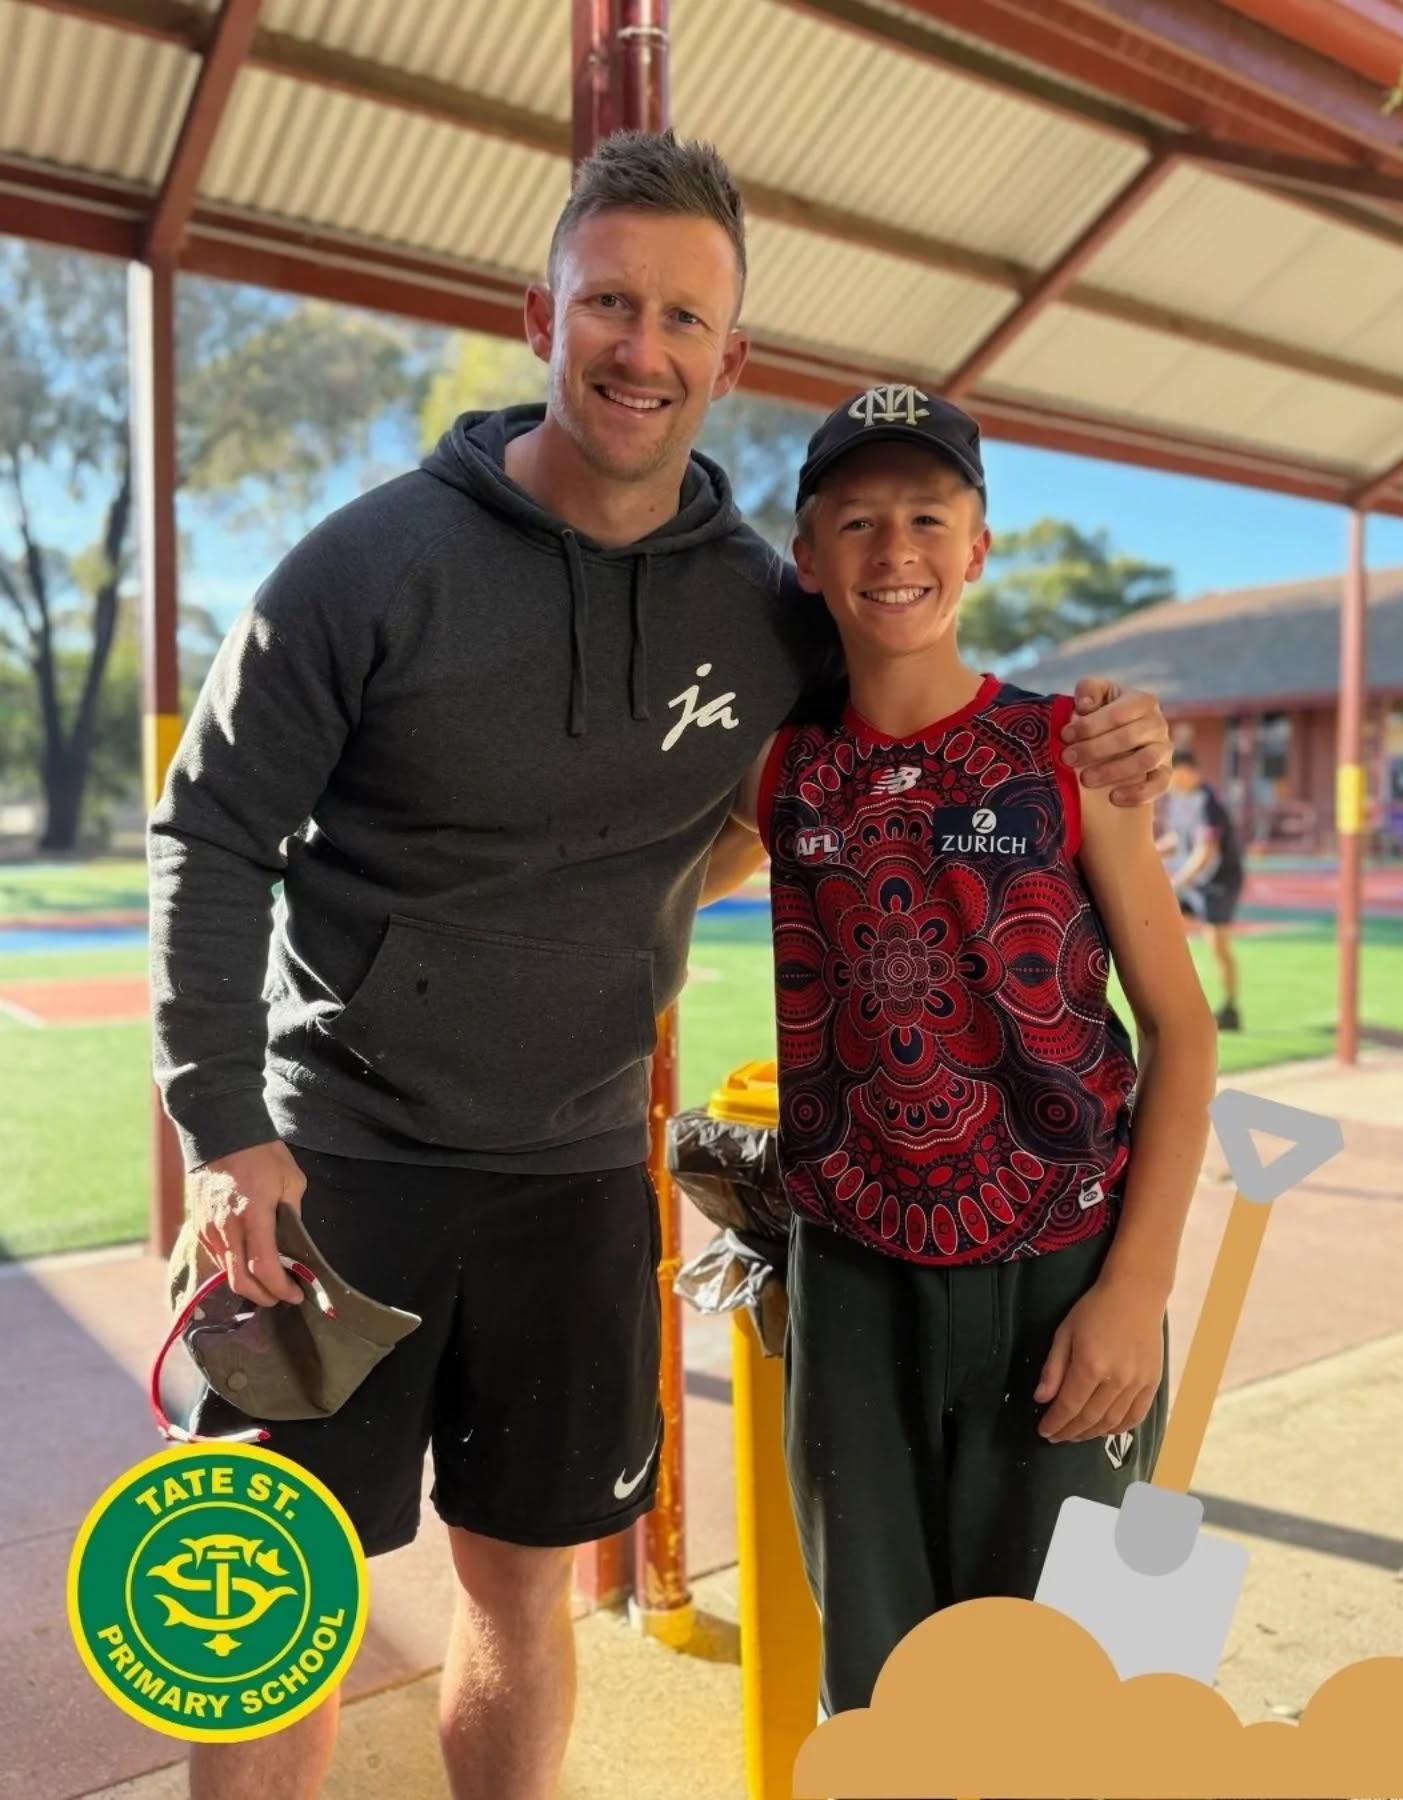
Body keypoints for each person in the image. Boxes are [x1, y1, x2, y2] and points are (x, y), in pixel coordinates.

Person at [148, 131, 1177, 1799]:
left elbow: (920, 694)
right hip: (333, 1176)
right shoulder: (367, 565)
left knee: (522, 1590)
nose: (643, 347)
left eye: (683, 317)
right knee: (272, 1606)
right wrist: (220, 1127)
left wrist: (1114, 731)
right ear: (541, 315)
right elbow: (209, 834)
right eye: (610, 303)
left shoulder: (764, 616)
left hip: (571, 1178)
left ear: (732, 355)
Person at [727, 389, 1217, 1720]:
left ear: (980, 548)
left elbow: (1182, 1030)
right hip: (854, 1289)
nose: (897, 550)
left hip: (1063, 1282)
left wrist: (1135, 1292)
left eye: (929, 517)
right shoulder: (781, 775)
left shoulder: (1071, 752)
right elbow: (631, 867)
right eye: (861, 522)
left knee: (1061, 1703)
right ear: (810, 556)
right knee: (880, 1700)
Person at [1158, 748, 1247, 1030]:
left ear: (1186, 771)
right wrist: (1149, 851)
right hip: (1194, 881)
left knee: (1217, 946)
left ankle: (1230, 1008)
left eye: (1171, 772)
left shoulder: (1209, 803)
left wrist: (1176, 882)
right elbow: (1178, 838)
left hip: (1218, 881)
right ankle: (1175, 1001)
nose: (1167, 779)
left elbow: (1204, 852)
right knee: (1166, 933)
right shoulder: (1177, 799)